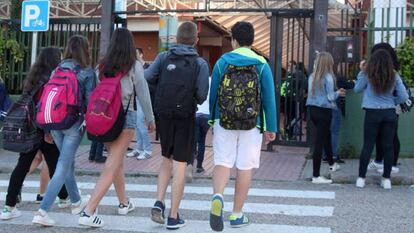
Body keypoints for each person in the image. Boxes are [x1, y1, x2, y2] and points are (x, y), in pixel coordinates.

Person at [79, 28, 155, 227]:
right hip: (125, 117)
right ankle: (88, 212)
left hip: (104, 117)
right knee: (112, 165)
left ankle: (124, 203)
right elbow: (143, 94)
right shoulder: (134, 66)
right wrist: (150, 118)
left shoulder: (101, 66)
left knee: (117, 162)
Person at [208, 21, 276, 231]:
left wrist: (213, 118)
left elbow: (214, 94)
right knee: (245, 167)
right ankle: (237, 215)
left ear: (233, 40)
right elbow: (269, 98)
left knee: (222, 161)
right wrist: (271, 127)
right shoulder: (261, 64)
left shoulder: (222, 62)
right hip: (252, 122)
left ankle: (218, 196)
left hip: (224, 119)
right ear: (252, 41)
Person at [145, 21, 209, 230]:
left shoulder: (164, 57)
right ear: (196, 41)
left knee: (166, 159)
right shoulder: (199, 63)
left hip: (164, 114)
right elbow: (201, 95)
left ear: (176, 38)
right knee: (180, 165)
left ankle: (159, 201)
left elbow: (147, 77)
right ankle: (173, 216)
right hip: (185, 116)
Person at [32, 36, 96, 226]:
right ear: (85, 50)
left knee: (67, 163)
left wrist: (46, 130)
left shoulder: (57, 69)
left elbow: (47, 101)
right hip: (72, 124)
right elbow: (90, 101)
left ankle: (76, 202)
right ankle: (42, 211)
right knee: (63, 165)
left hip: (53, 123)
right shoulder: (86, 72)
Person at [1, 47, 70, 220]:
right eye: (59, 58)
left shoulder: (33, 78)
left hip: (30, 128)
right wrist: (47, 131)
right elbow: (43, 107)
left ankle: (9, 207)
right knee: (55, 163)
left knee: (32, 164)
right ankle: (64, 198)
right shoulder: (49, 80)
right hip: (42, 129)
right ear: (53, 60)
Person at [354, 49, 408, 189]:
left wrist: (361, 71)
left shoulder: (368, 73)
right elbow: (404, 96)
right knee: (388, 146)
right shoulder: (394, 74)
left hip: (372, 113)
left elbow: (357, 89)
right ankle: (386, 180)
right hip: (389, 112)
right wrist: (392, 101)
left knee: (368, 145)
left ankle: (361, 179)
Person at [306, 52, 344, 185]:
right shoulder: (328, 77)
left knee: (326, 136)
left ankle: (332, 164)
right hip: (324, 111)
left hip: (312, 110)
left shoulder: (312, 76)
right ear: (328, 63)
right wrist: (338, 93)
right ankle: (316, 175)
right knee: (319, 143)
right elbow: (330, 97)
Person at [367, 43, 403, 174]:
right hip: (387, 106)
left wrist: (394, 102)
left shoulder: (391, 70)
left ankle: (392, 163)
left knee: (392, 135)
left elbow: (401, 93)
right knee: (382, 134)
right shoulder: (382, 67)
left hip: (391, 105)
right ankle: (379, 161)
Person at [127, 47, 154, 160]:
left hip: (143, 99)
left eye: (137, 53)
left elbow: (149, 85)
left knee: (140, 124)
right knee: (137, 125)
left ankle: (147, 150)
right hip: (134, 99)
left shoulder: (147, 67)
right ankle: (139, 148)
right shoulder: (133, 67)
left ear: (141, 55)